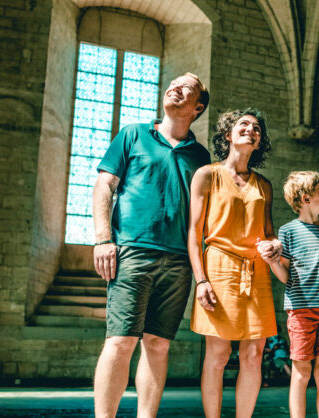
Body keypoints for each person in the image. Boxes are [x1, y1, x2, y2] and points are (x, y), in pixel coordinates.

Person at [92, 73, 211, 418]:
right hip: (132, 251)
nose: (175, 87)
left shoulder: (200, 157)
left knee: (158, 344)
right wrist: (103, 239)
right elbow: (104, 186)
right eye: (173, 83)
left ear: (197, 106)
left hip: (178, 261)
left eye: (186, 87)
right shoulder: (133, 134)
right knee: (121, 340)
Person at [188, 108, 279, 417]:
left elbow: (268, 233)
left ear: (259, 143)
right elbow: (194, 232)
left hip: (257, 272)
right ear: (227, 135)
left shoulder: (264, 185)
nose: (250, 130)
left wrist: (274, 245)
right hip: (218, 267)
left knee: (254, 354)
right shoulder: (206, 174)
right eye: (243, 125)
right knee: (218, 353)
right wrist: (201, 280)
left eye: (256, 129)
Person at [264, 170, 319, 418]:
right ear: (305, 198)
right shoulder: (288, 232)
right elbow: (285, 277)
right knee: (301, 370)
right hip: (302, 310)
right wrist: (272, 262)